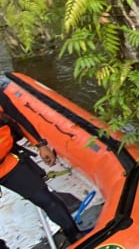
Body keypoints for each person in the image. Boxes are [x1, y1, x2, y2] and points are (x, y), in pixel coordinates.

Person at [0, 91, 83, 245]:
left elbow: (17, 118)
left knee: (45, 198)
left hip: (7, 163)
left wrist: (40, 144)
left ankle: (75, 236)